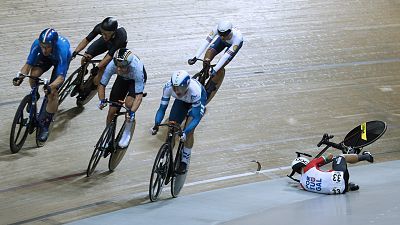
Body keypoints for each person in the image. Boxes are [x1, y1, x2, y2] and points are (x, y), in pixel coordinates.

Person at [13, 28, 71, 142]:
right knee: (33, 74)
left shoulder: (62, 49)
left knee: (53, 93)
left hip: (59, 61)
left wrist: (50, 87)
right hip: (46, 59)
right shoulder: (36, 45)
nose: (44, 49)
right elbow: (27, 65)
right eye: (42, 46)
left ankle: (45, 124)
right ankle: (35, 95)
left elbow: (61, 77)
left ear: (53, 45)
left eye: (47, 46)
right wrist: (19, 78)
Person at [151, 70, 207, 174]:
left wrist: (185, 132)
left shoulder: (194, 91)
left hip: (196, 101)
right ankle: (166, 159)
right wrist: (156, 124)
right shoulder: (168, 87)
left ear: (187, 85)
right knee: (171, 129)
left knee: (189, 132)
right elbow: (162, 109)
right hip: (182, 101)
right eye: (175, 88)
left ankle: (185, 160)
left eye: (180, 88)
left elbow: (196, 117)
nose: (177, 91)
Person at [97, 48, 146, 151]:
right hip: (122, 80)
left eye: (122, 67)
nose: (118, 69)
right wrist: (101, 100)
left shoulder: (137, 69)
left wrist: (132, 112)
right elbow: (102, 85)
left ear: (129, 64)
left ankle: (127, 133)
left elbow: (138, 97)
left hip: (134, 81)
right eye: (117, 66)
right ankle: (108, 137)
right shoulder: (113, 65)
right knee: (112, 111)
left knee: (129, 104)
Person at [71, 17, 127, 101]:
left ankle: (89, 90)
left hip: (116, 48)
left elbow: (109, 56)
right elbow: (87, 40)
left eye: (106, 34)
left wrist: (97, 68)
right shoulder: (100, 28)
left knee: (101, 70)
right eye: (102, 33)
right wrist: (76, 51)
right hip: (106, 42)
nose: (103, 35)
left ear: (113, 32)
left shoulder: (120, 37)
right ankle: (81, 75)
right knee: (85, 57)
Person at [187, 21, 243, 102]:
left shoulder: (238, 38)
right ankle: (205, 74)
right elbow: (207, 41)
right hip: (221, 43)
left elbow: (225, 56)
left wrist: (215, 69)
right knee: (208, 56)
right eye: (221, 35)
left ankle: (210, 88)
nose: (223, 37)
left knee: (220, 68)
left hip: (232, 45)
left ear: (230, 32)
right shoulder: (217, 29)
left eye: (225, 35)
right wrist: (196, 57)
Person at [290, 151, 374, 194]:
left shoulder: (302, 184)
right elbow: (330, 156)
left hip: (340, 190)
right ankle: (367, 156)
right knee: (341, 157)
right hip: (341, 177)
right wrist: (335, 160)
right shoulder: (310, 165)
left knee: (327, 177)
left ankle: (348, 187)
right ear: (305, 162)